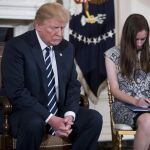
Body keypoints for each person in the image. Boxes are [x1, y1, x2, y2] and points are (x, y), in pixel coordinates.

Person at [1, 2, 103, 150]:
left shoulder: (67, 48)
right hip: (24, 111)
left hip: (59, 109)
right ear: (38, 25)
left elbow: (72, 85)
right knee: (34, 123)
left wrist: (69, 115)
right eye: (54, 28)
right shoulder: (17, 47)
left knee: (93, 119)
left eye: (63, 28)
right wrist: (50, 118)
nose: (60, 34)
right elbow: (16, 92)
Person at [105, 14, 150, 150]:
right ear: (128, 36)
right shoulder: (112, 54)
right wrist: (136, 101)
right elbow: (114, 89)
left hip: (147, 104)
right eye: (136, 39)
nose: (139, 43)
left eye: (143, 39)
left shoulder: (148, 53)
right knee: (147, 121)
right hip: (125, 105)